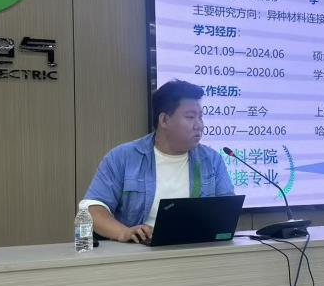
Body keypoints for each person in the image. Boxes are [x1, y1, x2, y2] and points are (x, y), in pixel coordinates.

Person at [80, 79, 235, 243]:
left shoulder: (212, 160)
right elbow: (93, 209)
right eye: (190, 117)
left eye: (200, 117)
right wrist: (123, 232)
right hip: (138, 250)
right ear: (164, 120)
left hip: (197, 249)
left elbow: (227, 211)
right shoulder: (123, 157)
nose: (199, 125)